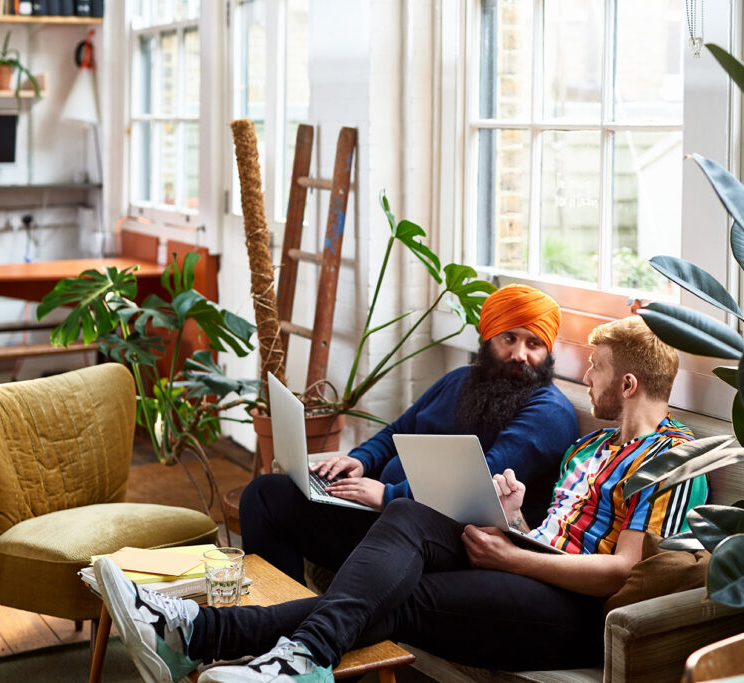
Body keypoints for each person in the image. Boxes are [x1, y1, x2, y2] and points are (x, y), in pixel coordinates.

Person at [95, 315, 709, 683]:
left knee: (397, 593)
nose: (587, 378)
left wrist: (515, 557)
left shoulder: (675, 460)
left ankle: (204, 633)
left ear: (628, 383)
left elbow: (623, 571)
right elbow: (552, 532)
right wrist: (515, 518)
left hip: (572, 612)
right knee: (407, 522)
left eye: (595, 368)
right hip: (527, 566)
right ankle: (267, 653)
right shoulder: (591, 447)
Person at [240, 283, 579, 583]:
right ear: (488, 338)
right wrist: (360, 461)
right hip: (391, 515)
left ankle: (290, 618)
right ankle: (277, 613)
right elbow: (398, 431)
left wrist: (388, 495)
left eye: (534, 343)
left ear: (547, 351)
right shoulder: (460, 380)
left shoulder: (549, 413)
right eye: (509, 338)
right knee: (265, 495)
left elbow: (480, 482)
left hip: (447, 538)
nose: (520, 355)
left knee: (280, 505)